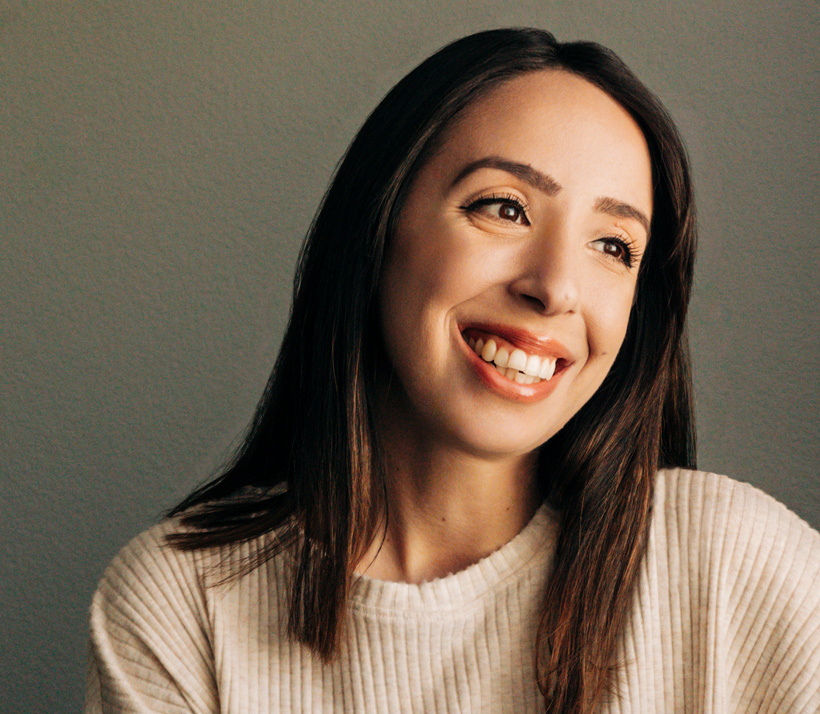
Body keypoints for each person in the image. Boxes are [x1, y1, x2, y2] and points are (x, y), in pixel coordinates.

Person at [86, 28, 820, 714]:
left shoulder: (738, 568)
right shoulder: (183, 606)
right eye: (505, 208)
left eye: (613, 246)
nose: (556, 287)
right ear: (379, 226)